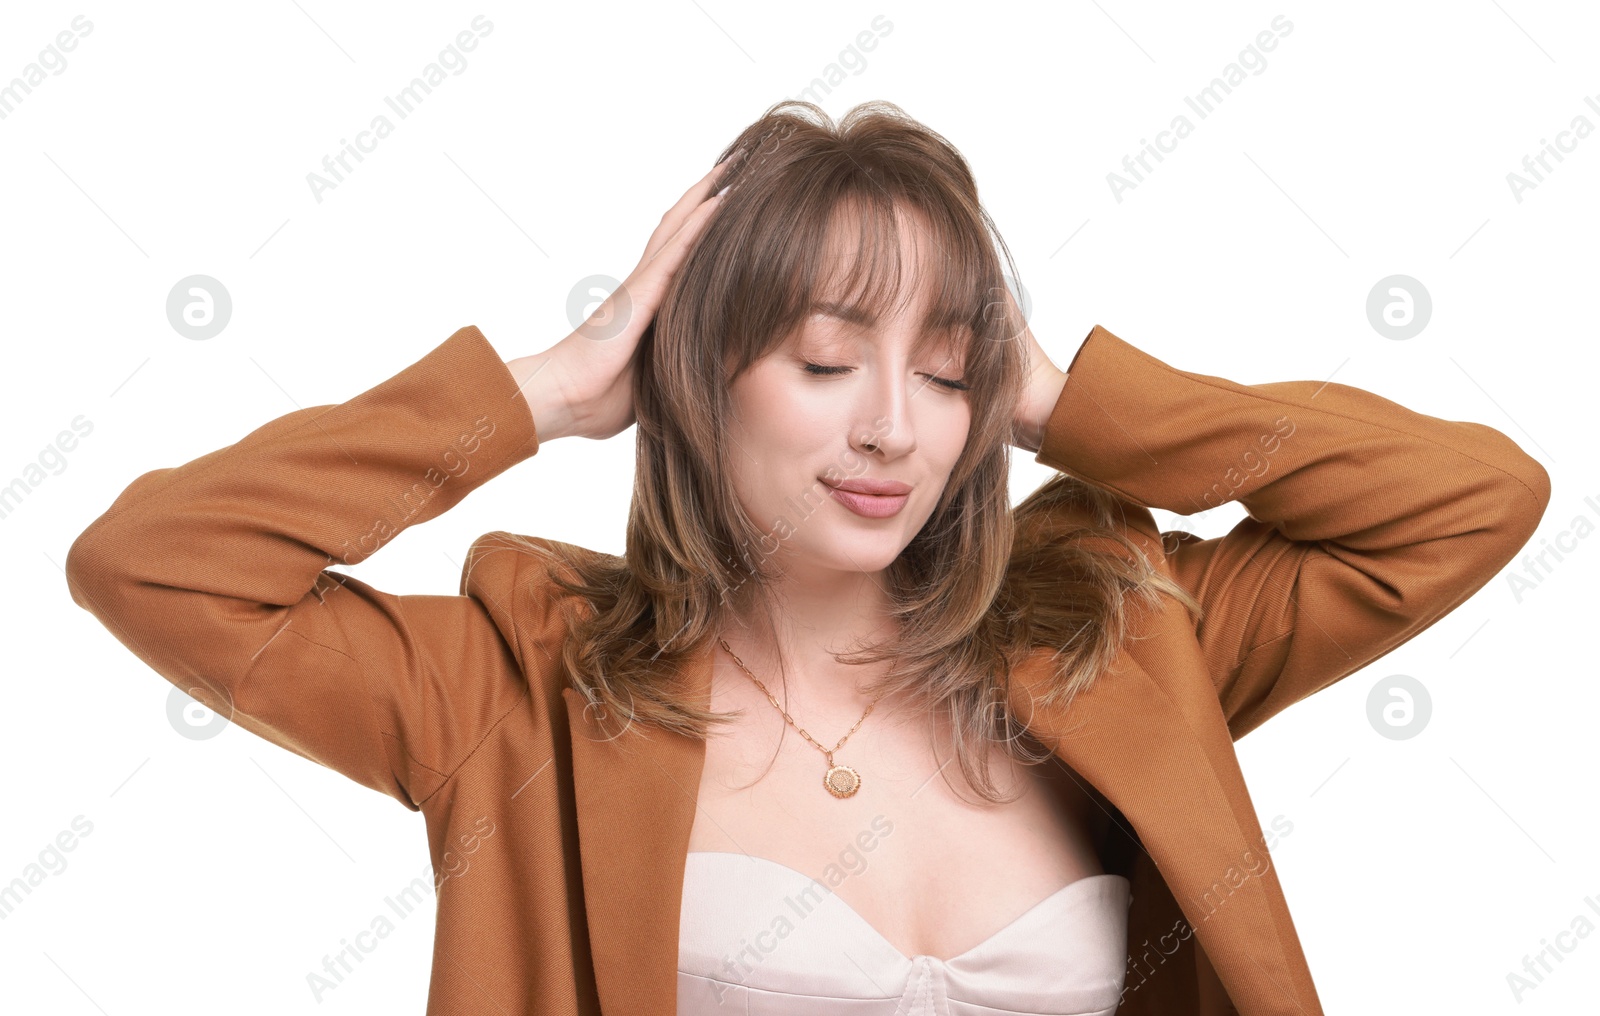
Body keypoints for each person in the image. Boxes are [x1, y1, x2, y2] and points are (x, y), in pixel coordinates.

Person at [65, 100, 1550, 1015]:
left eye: (950, 369)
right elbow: (155, 560)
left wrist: (1060, 399)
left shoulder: (1125, 627)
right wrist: (549, 387)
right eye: (829, 360)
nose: (898, 427)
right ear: (699, 376)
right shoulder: (520, 688)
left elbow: (1470, 497)